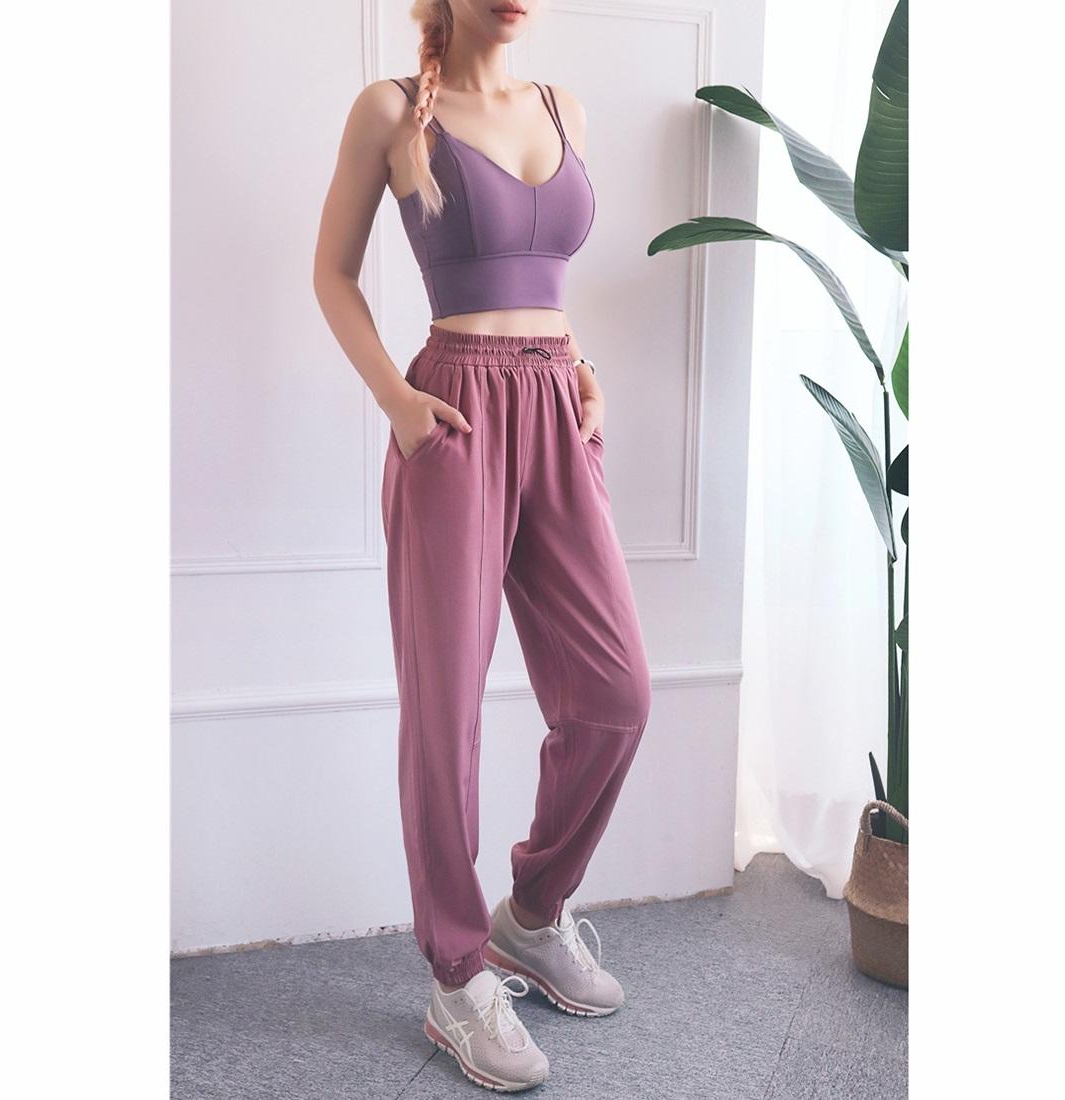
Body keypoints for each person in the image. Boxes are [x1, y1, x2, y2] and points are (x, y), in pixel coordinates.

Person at [313, 1, 651, 1090]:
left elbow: (543, 280)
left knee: (615, 696)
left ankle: (531, 913)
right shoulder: (391, 111)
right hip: (451, 413)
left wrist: (582, 364)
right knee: (444, 713)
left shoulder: (564, 109)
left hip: (557, 408)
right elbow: (331, 273)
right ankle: (457, 974)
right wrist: (396, 403)